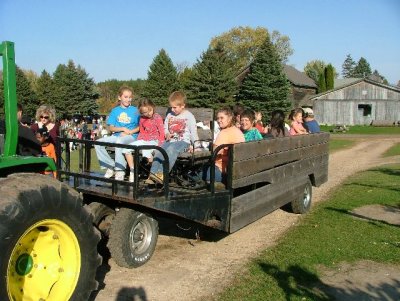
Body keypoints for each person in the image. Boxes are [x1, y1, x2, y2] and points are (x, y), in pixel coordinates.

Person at [146, 91, 199, 184]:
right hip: (170, 141)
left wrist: (196, 146)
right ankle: (152, 174)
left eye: (175, 107)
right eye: (171, 107)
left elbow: (193, 132)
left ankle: (161, 174)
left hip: (183, 142)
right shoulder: (170, 115)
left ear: (183, 105)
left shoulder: (189, 116)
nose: (172, 109)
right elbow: (165, 127)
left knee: (171, 149)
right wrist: (167, 134)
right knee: (159, 151)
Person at [94, 86, 140, 181]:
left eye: (130, 97)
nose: (128, 99)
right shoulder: (115, 111)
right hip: (117, 135)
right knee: (98, 142)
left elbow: (140, 126)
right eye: (126, 97)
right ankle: (110, 166)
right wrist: (122, 128)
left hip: (131, 136)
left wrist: (129, 132)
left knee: (119, 141)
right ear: (120, 97)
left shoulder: (135, 110)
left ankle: (120, 170)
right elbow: (111, 128)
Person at [122, 98, 165, 182]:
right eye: (145, 112)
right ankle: (132, 171)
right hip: (144, 140)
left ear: (153, 107)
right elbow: (141, 131)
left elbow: (161, 132)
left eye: (150, 111)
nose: (148, 114)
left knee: (146, 154)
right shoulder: (142, 118)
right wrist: (138, 142)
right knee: (126, 149)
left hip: (154, 140)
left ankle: (152, 174)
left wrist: (160, 144)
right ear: (141, 112)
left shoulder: (157, 117)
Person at [203, 107, 245, 184]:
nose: (219, 120)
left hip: (221, 172)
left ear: (229, 118)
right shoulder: (237, 131)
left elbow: (214, 153)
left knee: (190, 174)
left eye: (222, 118)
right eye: (218, 118)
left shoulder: (225, 132)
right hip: (235, 170)